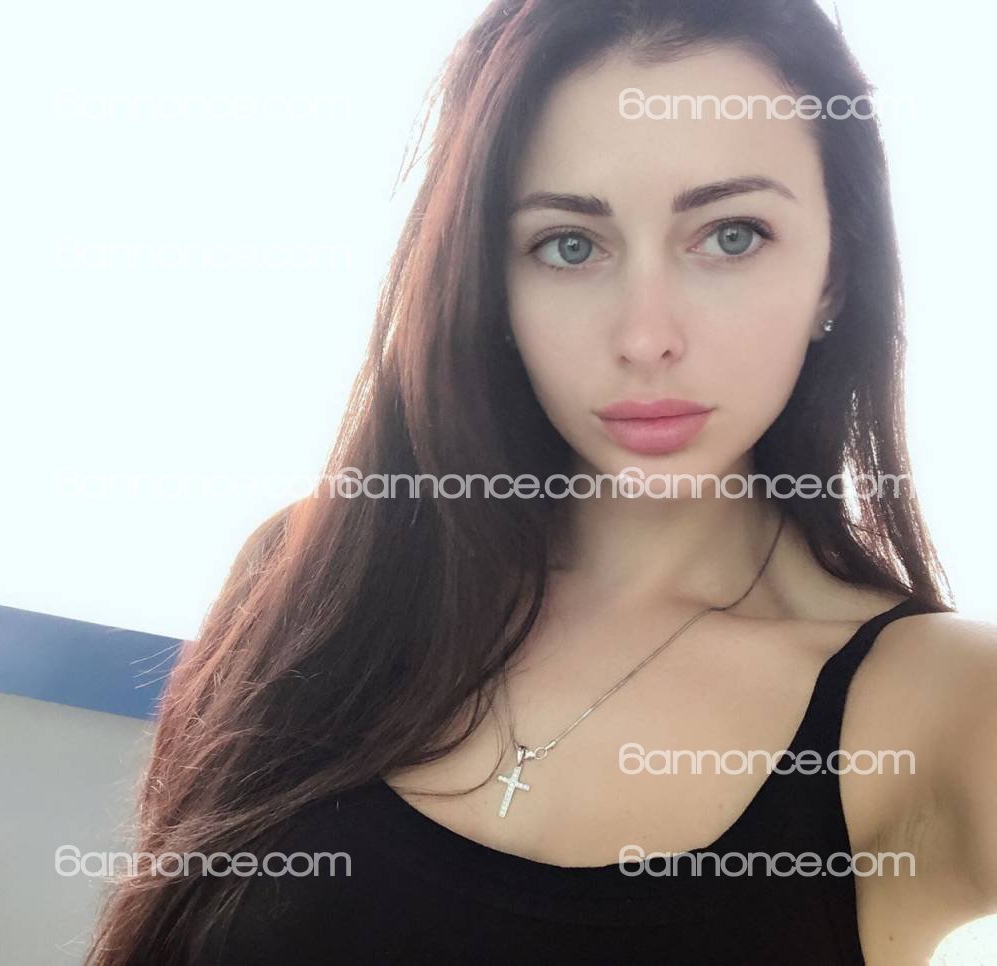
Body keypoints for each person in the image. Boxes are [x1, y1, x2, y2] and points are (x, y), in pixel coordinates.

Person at [87, 1, 997, 963]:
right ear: (491, 284)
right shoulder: (311, 574)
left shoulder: (945, 707)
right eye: (569, 244)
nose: (645, 336)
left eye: (731, 235)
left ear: (837, 274)